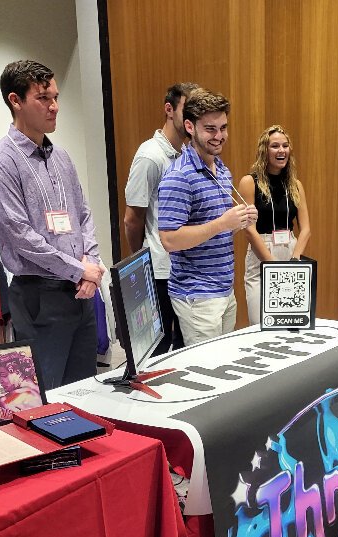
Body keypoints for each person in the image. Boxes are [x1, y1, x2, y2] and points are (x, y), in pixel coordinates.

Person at [0, 60, 104, 389]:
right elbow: (21, 237)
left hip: (80, 291)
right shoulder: (0, 162)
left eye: (56, 97)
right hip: (40, 295)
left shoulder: (61, 156)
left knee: (86, 389)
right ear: (15, 101)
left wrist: (89, 263)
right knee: (46, 396)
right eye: (43, 98)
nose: (54, 107)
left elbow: (83, 215)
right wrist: (79, 270)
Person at [158, 88, 257, 345]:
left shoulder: (221, 169)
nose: (219, 136)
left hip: (224, 289)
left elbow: (213, 231)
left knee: (224, 366)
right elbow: (169, 240)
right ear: (189, 126)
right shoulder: (179, 176)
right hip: (197, 296)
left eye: (223, 128)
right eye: (210, 129)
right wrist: (223, 223)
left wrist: (239, 221)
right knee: (206, 371)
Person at [124, 82, 199, 355]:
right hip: (159, 269)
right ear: (169, 110)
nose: (192, 118)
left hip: (186, 268)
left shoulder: (188, 155)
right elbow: (132, 219)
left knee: (185, 345)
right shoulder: (150, 156)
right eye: (186, 110)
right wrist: (145, 261)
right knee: (159, 346)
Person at [237, 125, 311, 324]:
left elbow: (305, 229)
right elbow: (249, 230)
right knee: (262, 323)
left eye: (285, 146)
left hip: (290, 253)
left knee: (290, 324)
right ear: (264, 151)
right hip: (262, 255)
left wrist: (295, 261)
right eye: (275, 146)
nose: (281, 150)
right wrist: (273, 266)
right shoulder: (249, 182)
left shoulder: (296, 185)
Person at [0, 348, 43, 414]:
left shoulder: (5, 402)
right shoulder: (39, 390)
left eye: (3, 375)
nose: (0, 381)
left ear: (17, 371)